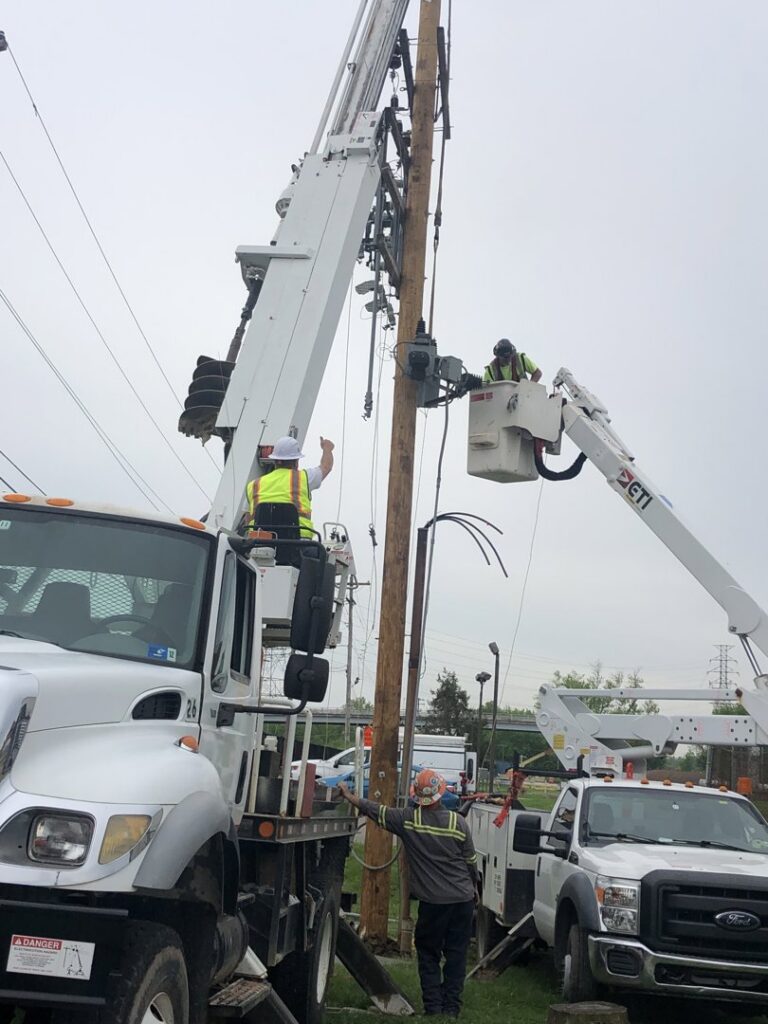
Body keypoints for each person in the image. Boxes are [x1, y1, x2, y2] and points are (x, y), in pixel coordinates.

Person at [338, 769, 478, 1018]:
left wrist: (350, 797)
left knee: (428, 954)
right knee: (456, 955)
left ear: (417, 796)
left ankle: (434, 1008)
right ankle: (451, 1009)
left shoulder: (408, 820)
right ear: (440, 794)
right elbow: (471, 863)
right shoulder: (459, 824)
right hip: (462, 901)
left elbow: (377, 811)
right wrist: (474, 892)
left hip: (434, 903)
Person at [246, 436, 334, 538]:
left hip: (260, 543)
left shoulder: (254, 485)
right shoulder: (304, 478)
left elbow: (248, 517)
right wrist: (327, 449)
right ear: (296, 461)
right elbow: (326, 467)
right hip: (298, 543)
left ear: (274, 460)